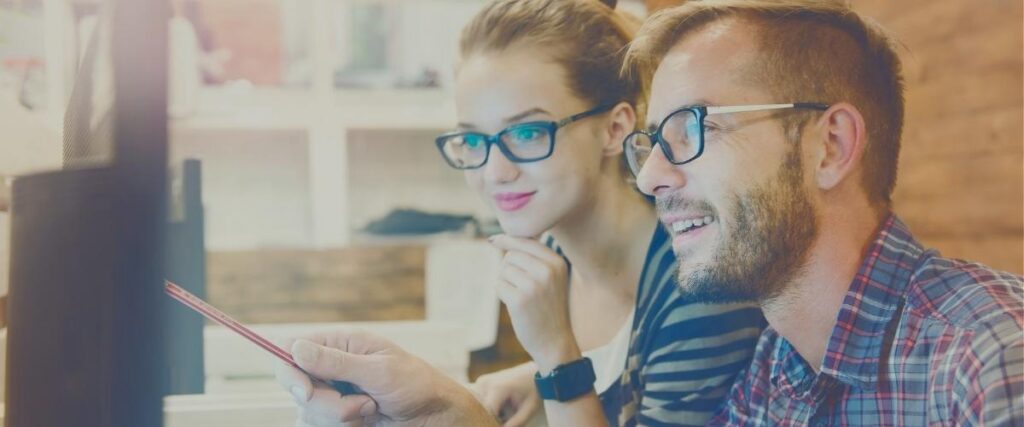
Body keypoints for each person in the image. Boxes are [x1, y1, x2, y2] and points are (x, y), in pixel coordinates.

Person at [275, 1, 764, 426]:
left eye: (527, 133)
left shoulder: (698, 290)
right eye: (473, 139)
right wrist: (532, 376)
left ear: (614, 129)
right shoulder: (555, 254)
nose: (494, 172)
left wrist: (557, 362)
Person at [619, 0, 1024, 425]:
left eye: (694, 126)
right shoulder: (773, 370)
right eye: (654, 141)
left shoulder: (992, 363)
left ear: (831, 147)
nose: (649, 177)